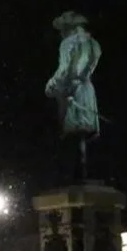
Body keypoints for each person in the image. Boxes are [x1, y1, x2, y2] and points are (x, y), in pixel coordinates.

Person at [45, 11, 102, 182]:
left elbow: (65, 70)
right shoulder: (93, 43)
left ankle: (74, 175)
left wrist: (52, 85)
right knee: (82, 134)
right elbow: (90, 65)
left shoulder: (68, 44)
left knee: (71, 133)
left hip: (71, 90)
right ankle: (82, 172)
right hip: (86, 89)